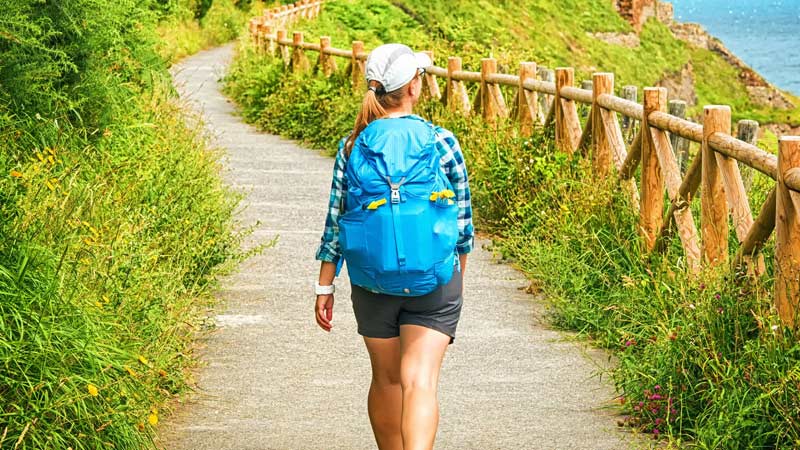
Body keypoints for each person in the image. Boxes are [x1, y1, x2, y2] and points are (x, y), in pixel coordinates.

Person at [314, 43, 474, 450]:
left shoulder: (352, 146)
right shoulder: (442, 141)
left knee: (386, 379)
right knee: (420, 381)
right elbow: (463, 224)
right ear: (414, 87)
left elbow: (336, 219)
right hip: (434, 279)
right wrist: (456, 281)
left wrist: (325, 286)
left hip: (371, 280)